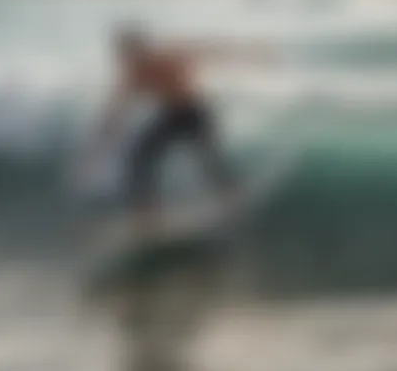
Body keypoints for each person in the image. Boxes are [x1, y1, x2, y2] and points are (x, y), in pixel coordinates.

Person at [90, 22, 276, 234]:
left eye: (128, 53)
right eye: (123, 55)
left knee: (207, 158)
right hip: (170, 117)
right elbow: (116, 111)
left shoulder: (168, 55)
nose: (125, 59)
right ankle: (146, 217)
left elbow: (212, 50)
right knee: (138, 157)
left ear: (140, 48)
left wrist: (252, 53)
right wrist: (98, 149)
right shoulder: (133, 75)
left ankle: (232, 198)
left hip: (194, 113)